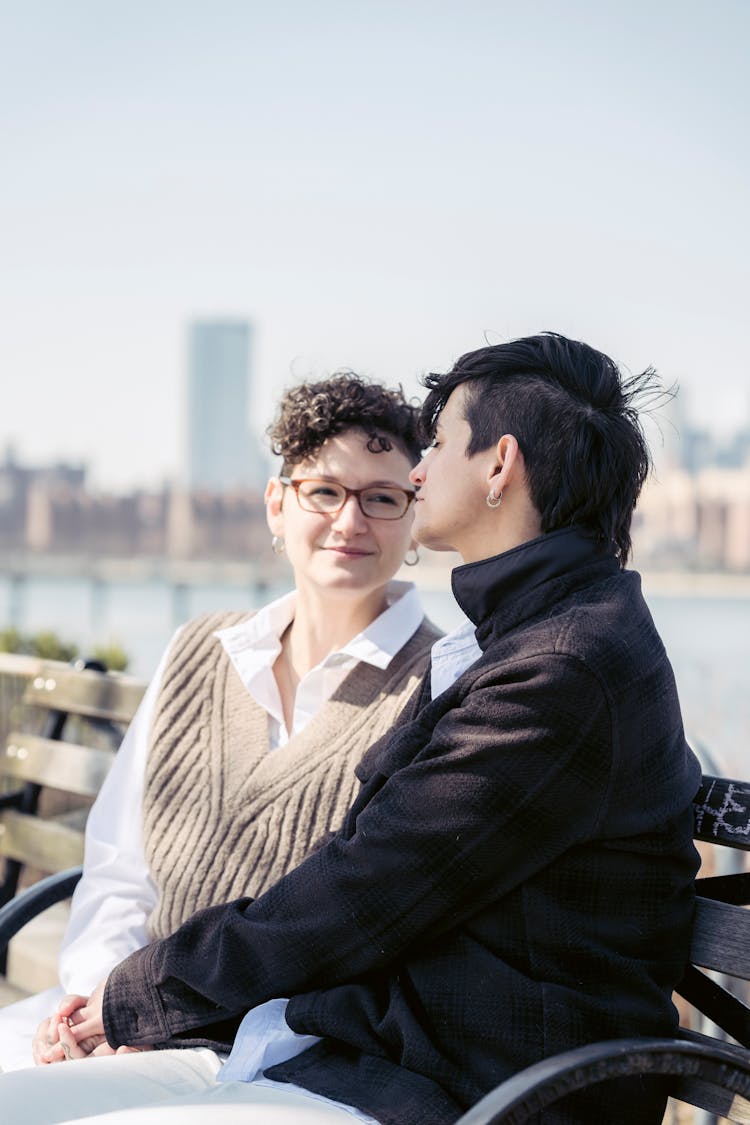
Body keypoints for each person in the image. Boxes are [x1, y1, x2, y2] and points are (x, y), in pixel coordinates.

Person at [2, 333, 701, 1125]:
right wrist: (132, 1002)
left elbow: (363, 884)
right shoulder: (531, 635)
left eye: (438, 443)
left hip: (474, 1093)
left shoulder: (560, 666)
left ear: (499, 465)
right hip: (366, 1056)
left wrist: (140, 998)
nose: (418, 470)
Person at [0, 372, 442, 1073]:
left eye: (383, 498)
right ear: (278, 504)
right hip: (118, 1013)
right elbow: (121, 872)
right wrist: (95, 1001)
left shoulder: (437, 686)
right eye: (324, 491)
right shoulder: (198, 649)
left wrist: (144, 1020)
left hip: (271, 1054)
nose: (350, 521)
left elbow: (371, 933)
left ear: (415, 515)